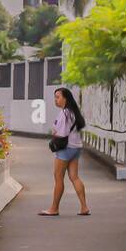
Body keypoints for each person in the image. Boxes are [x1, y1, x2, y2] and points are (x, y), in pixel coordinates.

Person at [40, 87, 89, 216]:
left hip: (65, 149)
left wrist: (54, 133)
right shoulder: (73, 112)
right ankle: (84, 207)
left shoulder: (64, 114)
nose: (56, 100)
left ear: (65, 98)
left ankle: (54, 208)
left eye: (58, 97)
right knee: (74, 177)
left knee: (58, 178)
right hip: (76, 148)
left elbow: (61, 133)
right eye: (55, 97)